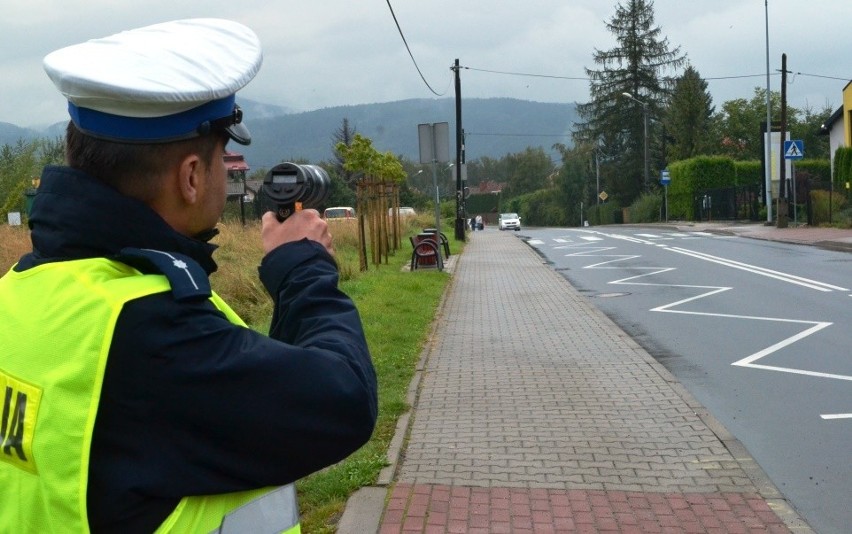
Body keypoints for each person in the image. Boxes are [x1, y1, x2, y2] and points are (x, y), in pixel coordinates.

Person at [0, 19, 377, 533]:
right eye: (223, 156)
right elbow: (344, 400)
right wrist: (304, 268)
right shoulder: (154, 334)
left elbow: (259, 408)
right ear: (192, 176)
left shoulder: (21, 292)